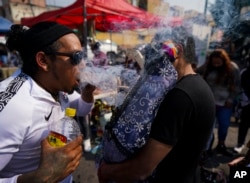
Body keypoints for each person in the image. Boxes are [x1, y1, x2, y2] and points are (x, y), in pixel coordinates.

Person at [97, 26, 216, 183]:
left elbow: (142, 169)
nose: (153, 55)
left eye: (159, 48)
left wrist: (106, 171)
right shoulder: (195, 86)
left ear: (177, 51)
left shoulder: (181, 95)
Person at [0, 21, 96, 183]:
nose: (83, 65)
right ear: (43, 61)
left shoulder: (55, 87)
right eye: (76, 57)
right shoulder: (13, 108)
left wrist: (87, 93)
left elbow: (81, 109)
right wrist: (38, 178)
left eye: (83, 56)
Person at [201, 49, 240, 156]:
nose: (216, 65)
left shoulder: (232, 68)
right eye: (214, 63)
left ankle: (221, 145)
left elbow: (237, 86)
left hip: (225, 103)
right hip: (210, 102)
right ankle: (206, 148)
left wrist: (231, 99)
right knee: (209, 127)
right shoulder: (207, 67)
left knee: (224, 125)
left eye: (219, 63)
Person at [234, 59, 250, 154]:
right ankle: (240, 143)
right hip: (246, 103)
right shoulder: (245, 72)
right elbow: (239, 86)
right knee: (244, 125)